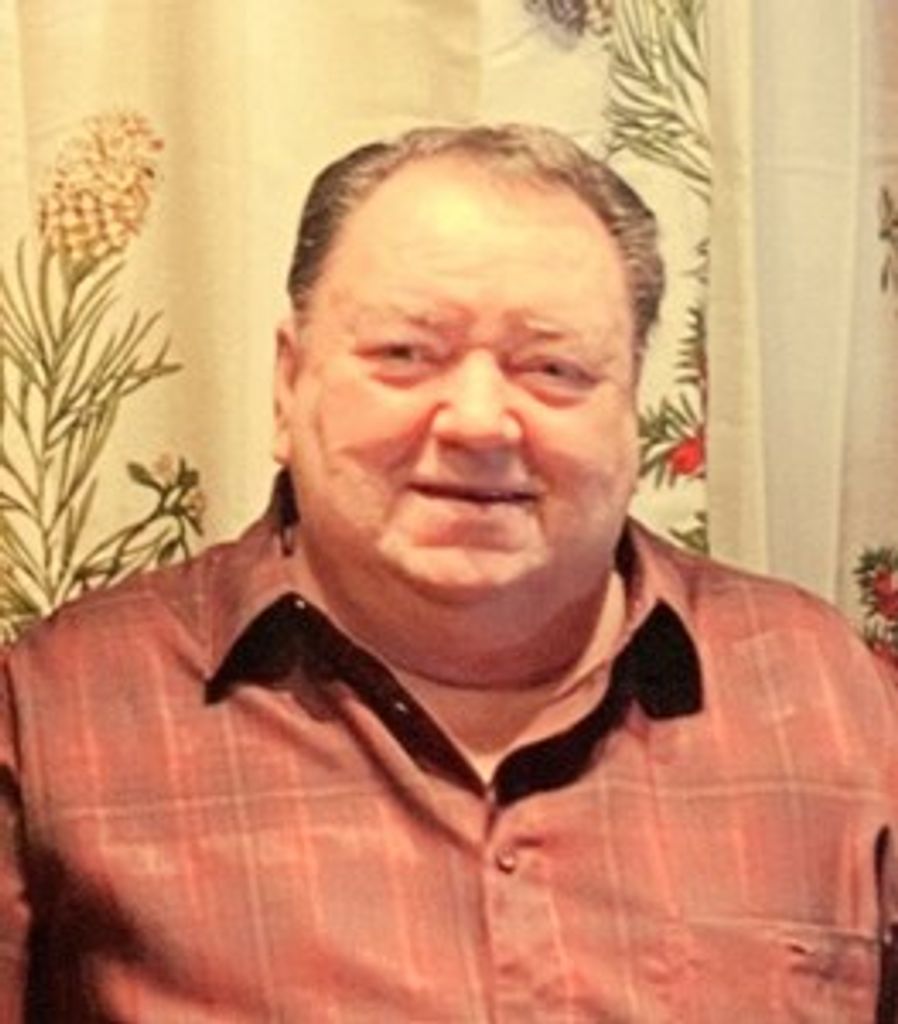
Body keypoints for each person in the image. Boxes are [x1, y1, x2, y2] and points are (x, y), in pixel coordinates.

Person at [1, 123, 896, 1022]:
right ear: (288, 384)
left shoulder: (827, 698)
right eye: (406, 354)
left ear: (633, 405)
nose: (478, 422)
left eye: (553, 368)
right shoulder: (59, 716)